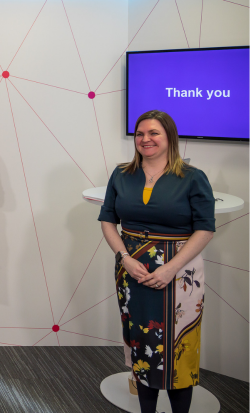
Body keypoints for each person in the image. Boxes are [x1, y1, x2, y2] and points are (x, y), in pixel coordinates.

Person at [99, 110, 214, 413]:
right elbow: (108, 221)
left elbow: (205, 229)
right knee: (141, 344)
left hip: (181, 274)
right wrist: (124, 258)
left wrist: (171, 268)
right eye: (140, 134)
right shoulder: (121, 174)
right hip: (131, 272)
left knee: (178, 352)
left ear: (169, 137)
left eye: (153, 133)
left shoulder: (192, 177)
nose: (145, 139)